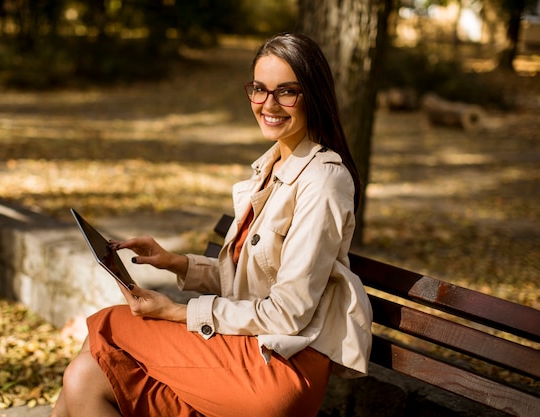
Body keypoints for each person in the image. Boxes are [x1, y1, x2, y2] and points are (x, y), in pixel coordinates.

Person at [52, 32, 372, 417]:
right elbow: (254, 279)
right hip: (243, 352)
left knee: (109, 323)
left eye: (287, 92)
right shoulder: (271, 167)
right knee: (85, 376)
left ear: (314, 95)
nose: (269, 104)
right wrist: (176, 263)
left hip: (280, 366)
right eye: (259, 89)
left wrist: (178, 312)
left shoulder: (323, 180)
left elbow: (288, 313)